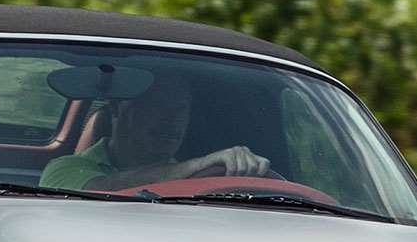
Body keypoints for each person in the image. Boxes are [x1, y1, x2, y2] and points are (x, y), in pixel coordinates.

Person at [38, 73, 272, 191]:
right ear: (116, 109)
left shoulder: (211, 184)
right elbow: (104, 189)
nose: (172, 118)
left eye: (181, 108)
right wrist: (198, 166)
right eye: (156, 105)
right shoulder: (64, 169)